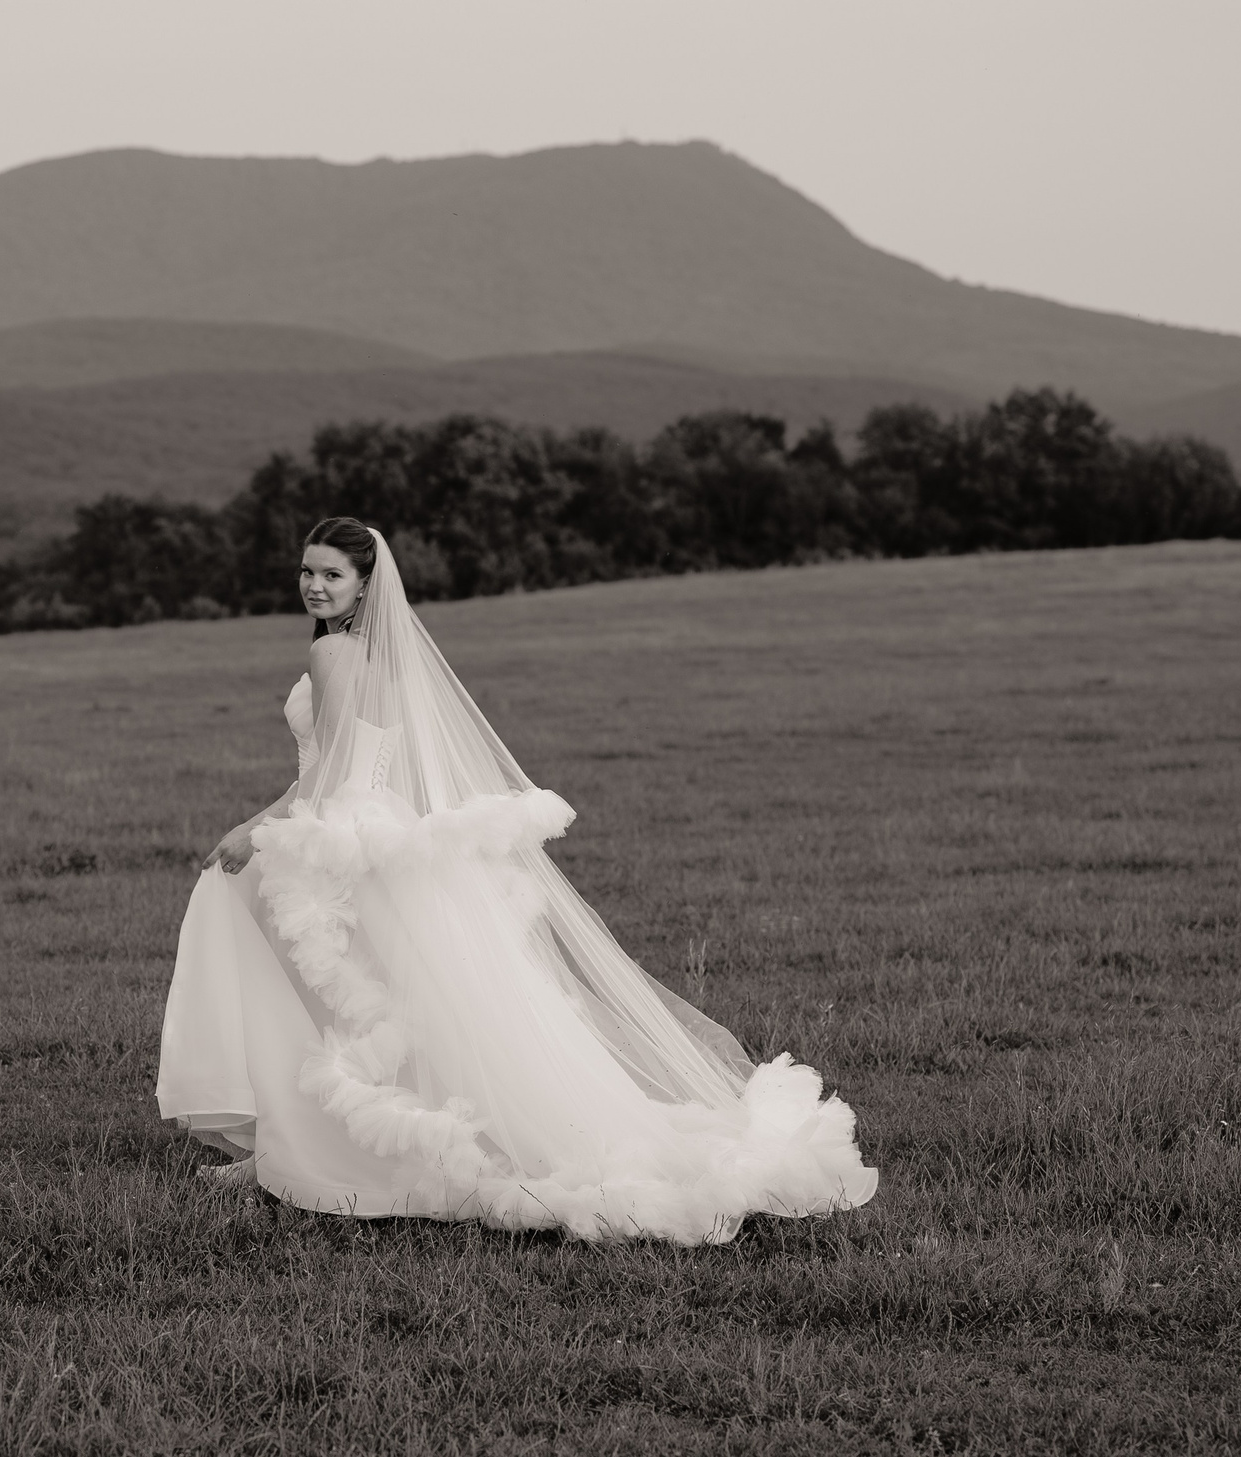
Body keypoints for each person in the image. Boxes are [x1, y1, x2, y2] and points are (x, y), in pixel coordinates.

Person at [155, 517, 877, 1245]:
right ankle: (288, 1144)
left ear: (365, 585)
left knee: (273, 947)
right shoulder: (387, 656)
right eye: (307, 571)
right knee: (374, 999)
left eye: (331, 574)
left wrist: (255, 829)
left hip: (341, 832)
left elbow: (335, 767)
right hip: (370, 829)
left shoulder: (332, 651)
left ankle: (301, 1147)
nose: (314, 585)